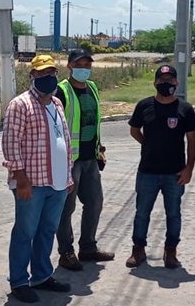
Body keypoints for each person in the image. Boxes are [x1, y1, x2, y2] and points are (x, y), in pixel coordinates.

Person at [2, 54, 73, 303]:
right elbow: (11, 144)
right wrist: (20, 179)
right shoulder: (20, 105)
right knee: (25, 232)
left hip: (57, 182)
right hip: (31, 182)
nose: (47, 78)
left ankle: (42, 276)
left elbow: (64, 140)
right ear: (31, 76)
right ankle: (19, 281)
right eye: (42, 74)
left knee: (47, 231)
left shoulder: (57, 103)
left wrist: (68, 175)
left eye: (51, 73)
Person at [126, 65, 195, 269]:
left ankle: (171, 251)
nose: (166, 83)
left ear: (176, 82)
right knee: (142, 213)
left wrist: (189, 169)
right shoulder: (144, 105)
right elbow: (134, 130)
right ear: (155, 83)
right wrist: (148, 144)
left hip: (175, 173)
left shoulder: (185, 109)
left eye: (170, 80)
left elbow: (192, 141)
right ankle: (138, 250)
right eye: (162, 80)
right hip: (147, 171)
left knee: (173, 214)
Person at [55, 48, 114, 272]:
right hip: (69, 161)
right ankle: (66, 252)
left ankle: (88, 247)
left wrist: (100, 148)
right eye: (79, 64)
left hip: (90, 158)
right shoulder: (62, 91)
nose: (84, 69)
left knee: (95, 203)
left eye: (88, 65)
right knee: (66, 209)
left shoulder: (92, 88)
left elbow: (93, 121)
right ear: (70, 66)